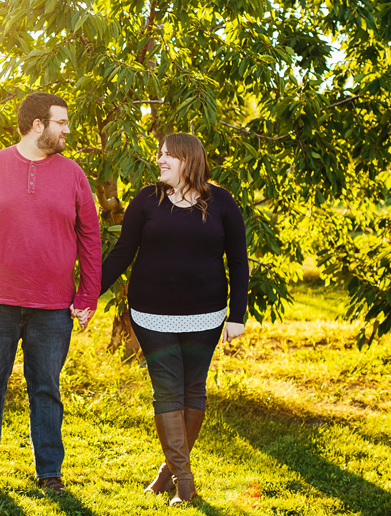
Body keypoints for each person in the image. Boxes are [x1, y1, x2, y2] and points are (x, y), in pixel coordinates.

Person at [0, 92, 102, 494]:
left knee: (46, 389)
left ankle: (49, 473)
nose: (67, 129)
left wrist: (88, 296)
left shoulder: (73, 174)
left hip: (53, 307)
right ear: (38, 125)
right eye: (61, 123)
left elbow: (90, 237)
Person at [100, 133, 248, 506]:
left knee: (193, 390)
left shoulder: (222, 202)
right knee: (167, 391)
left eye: (168, 156)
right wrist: (86, 295)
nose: (160, 161)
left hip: (207, 315)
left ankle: (168, 472)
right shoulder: (147, 201)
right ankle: (185, 481)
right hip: (152, 315)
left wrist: (238, 314)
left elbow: (239, 261)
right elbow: (121, 255)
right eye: (160, 155)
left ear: (189, 160)